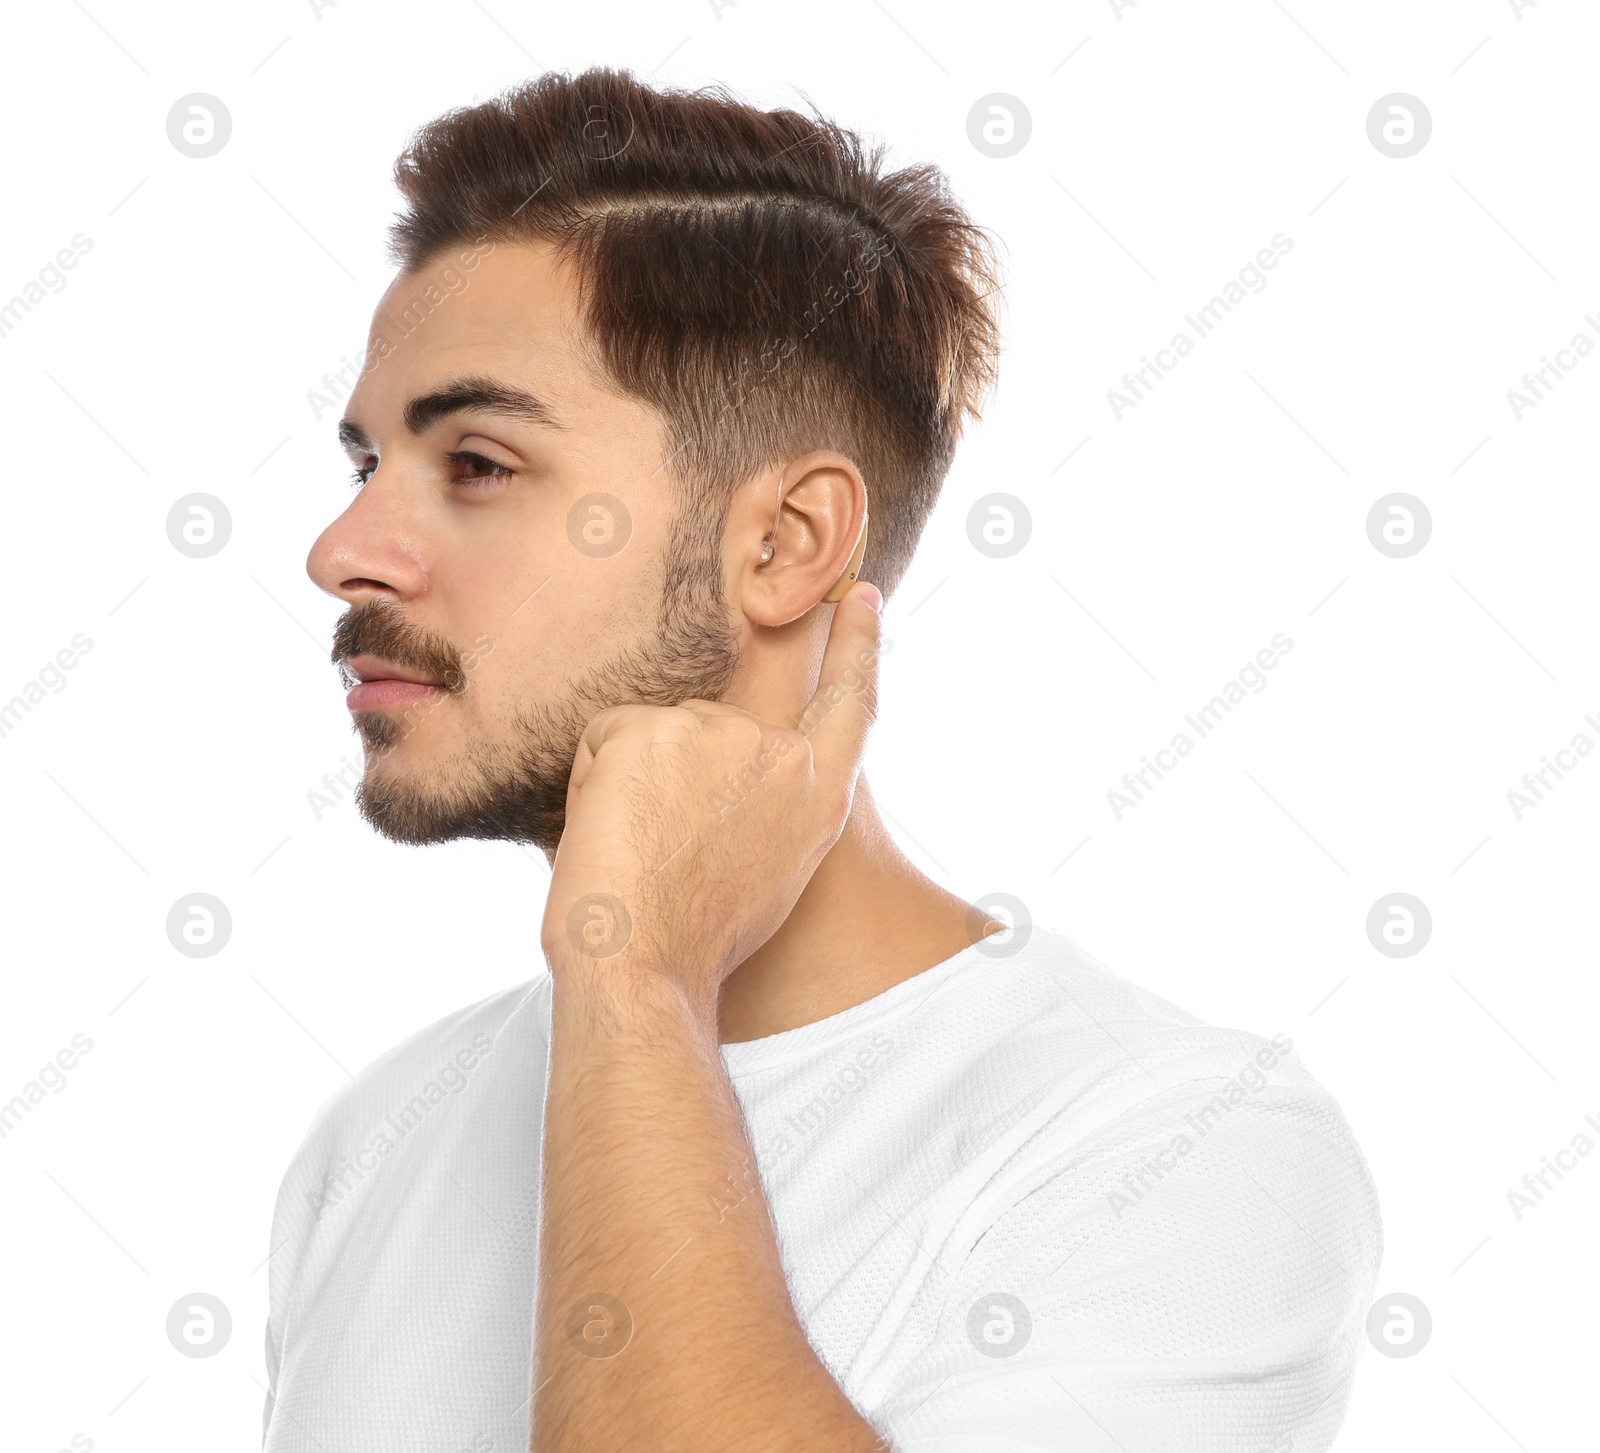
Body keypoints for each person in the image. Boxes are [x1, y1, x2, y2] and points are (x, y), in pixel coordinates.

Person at [265, 67, 1381, 1453]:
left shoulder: (1175, 1146)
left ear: (785, 543)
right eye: (365, 460)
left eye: (478, 463)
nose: (343, 552)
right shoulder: (371, 1142)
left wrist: (636, 974)